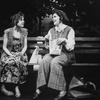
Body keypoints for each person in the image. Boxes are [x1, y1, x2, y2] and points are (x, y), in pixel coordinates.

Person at [33, 9, 75, 100]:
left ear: (61, 17)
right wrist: (46, 43)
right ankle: (40, 88)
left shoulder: (69, 30)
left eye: (55, 16)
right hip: (53, 53)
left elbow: (70, 48)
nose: (53, 19)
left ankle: (62, 90)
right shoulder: (51, 30)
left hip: (66, 54)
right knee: (44, 60)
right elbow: (47, 46)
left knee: (55, 62)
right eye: (53, 17)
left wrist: (65, 40)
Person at [0, 11, 28, 98]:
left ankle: (16, 87)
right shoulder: (8, 32)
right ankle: (3, 87)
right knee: (9, 62)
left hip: (20, 53)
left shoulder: (24, 31)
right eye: (21, 20)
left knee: (18, 61)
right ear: (16, 21)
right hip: (8, 53)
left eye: (23, 20)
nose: (23, 21)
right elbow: (4, 47)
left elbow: (25, 46)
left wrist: (21, 54)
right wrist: (11, 55)